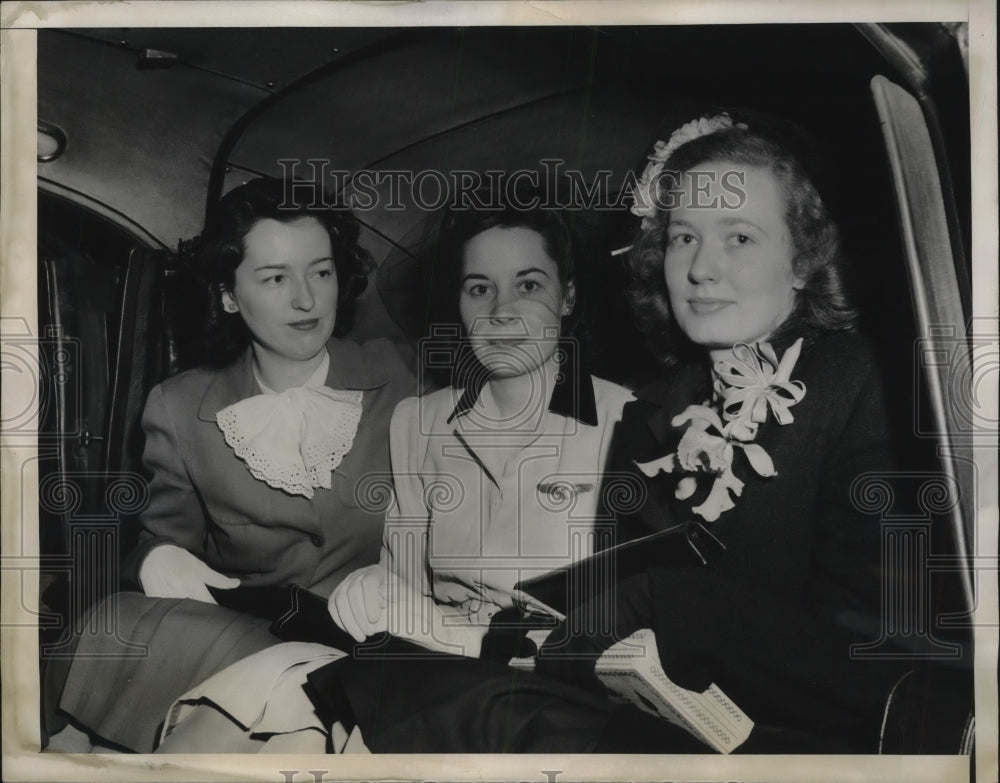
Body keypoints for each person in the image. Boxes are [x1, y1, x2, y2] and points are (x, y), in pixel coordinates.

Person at [308, 113, 912, 753]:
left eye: (738, 237)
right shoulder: (652, 410)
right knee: (387, 691)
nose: (701, 268)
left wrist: (663, 604)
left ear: (803, 259)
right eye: (683, 238)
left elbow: (883, 667)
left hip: (799, 750)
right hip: (649, 722)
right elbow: (598, 629)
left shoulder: (872, 387)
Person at [49, 177, 422, 753]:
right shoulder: (180, 407)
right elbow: (159, 545)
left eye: (320, 272)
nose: (306, 299)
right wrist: (155, 556)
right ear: (228, 294)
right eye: (275, 278)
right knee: (111, 631)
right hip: (245, 638)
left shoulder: (408, 377)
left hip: (377, 649)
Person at [326, 204, 635, 657]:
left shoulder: (627, 421)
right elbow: (404, 584)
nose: (500, 312)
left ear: (567, 296)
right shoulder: (419, 423)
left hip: (561, 680)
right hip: (435, 667)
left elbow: (628, 620)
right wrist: (376, 588)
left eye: (528, 285)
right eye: (479, 288)